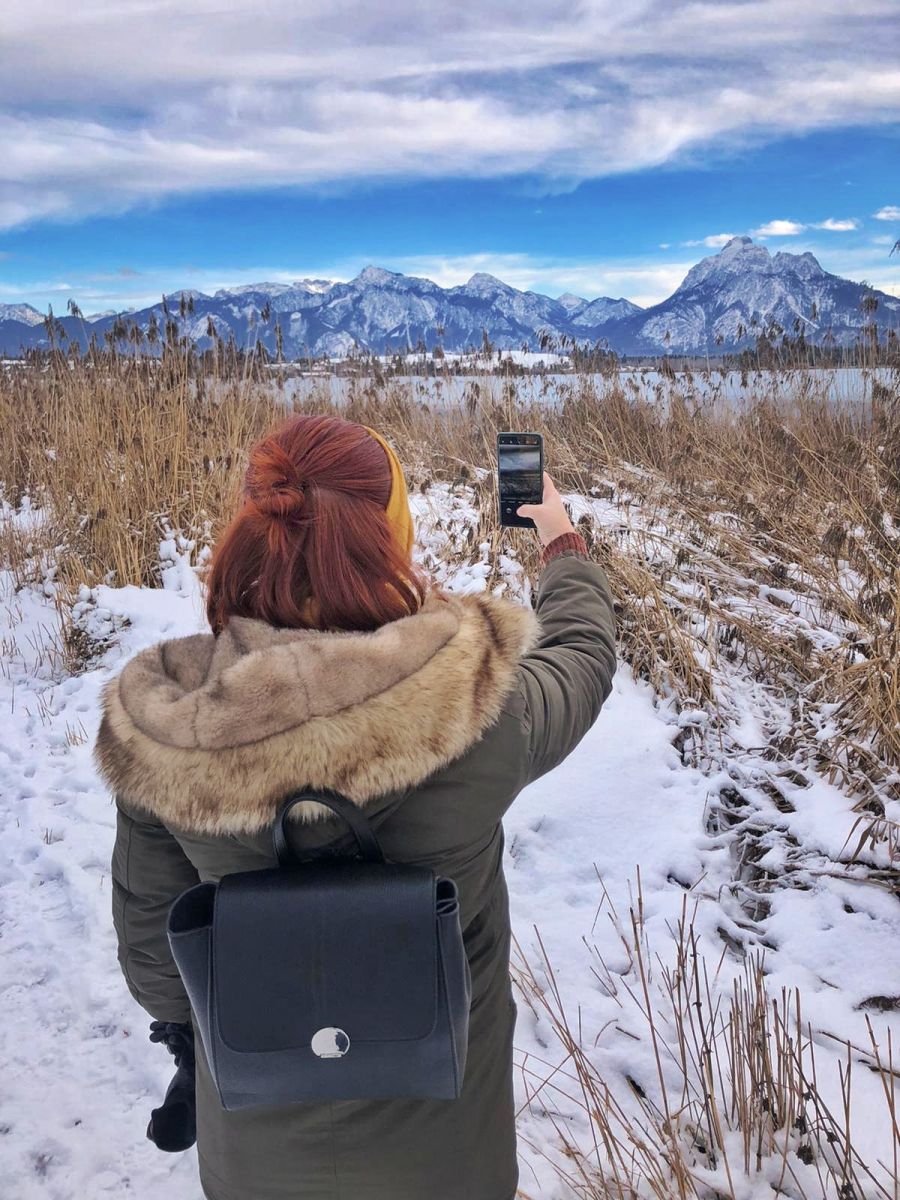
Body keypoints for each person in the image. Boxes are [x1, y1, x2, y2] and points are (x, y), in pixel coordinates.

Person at [94, 413, 617, 1200]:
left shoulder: (170, 729)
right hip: (449, 1159)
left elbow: (150, 941)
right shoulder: (473, 705)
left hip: (255, 1159)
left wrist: (186, 1039)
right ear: (389, 540)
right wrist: (558, 538)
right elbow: (581, 657)